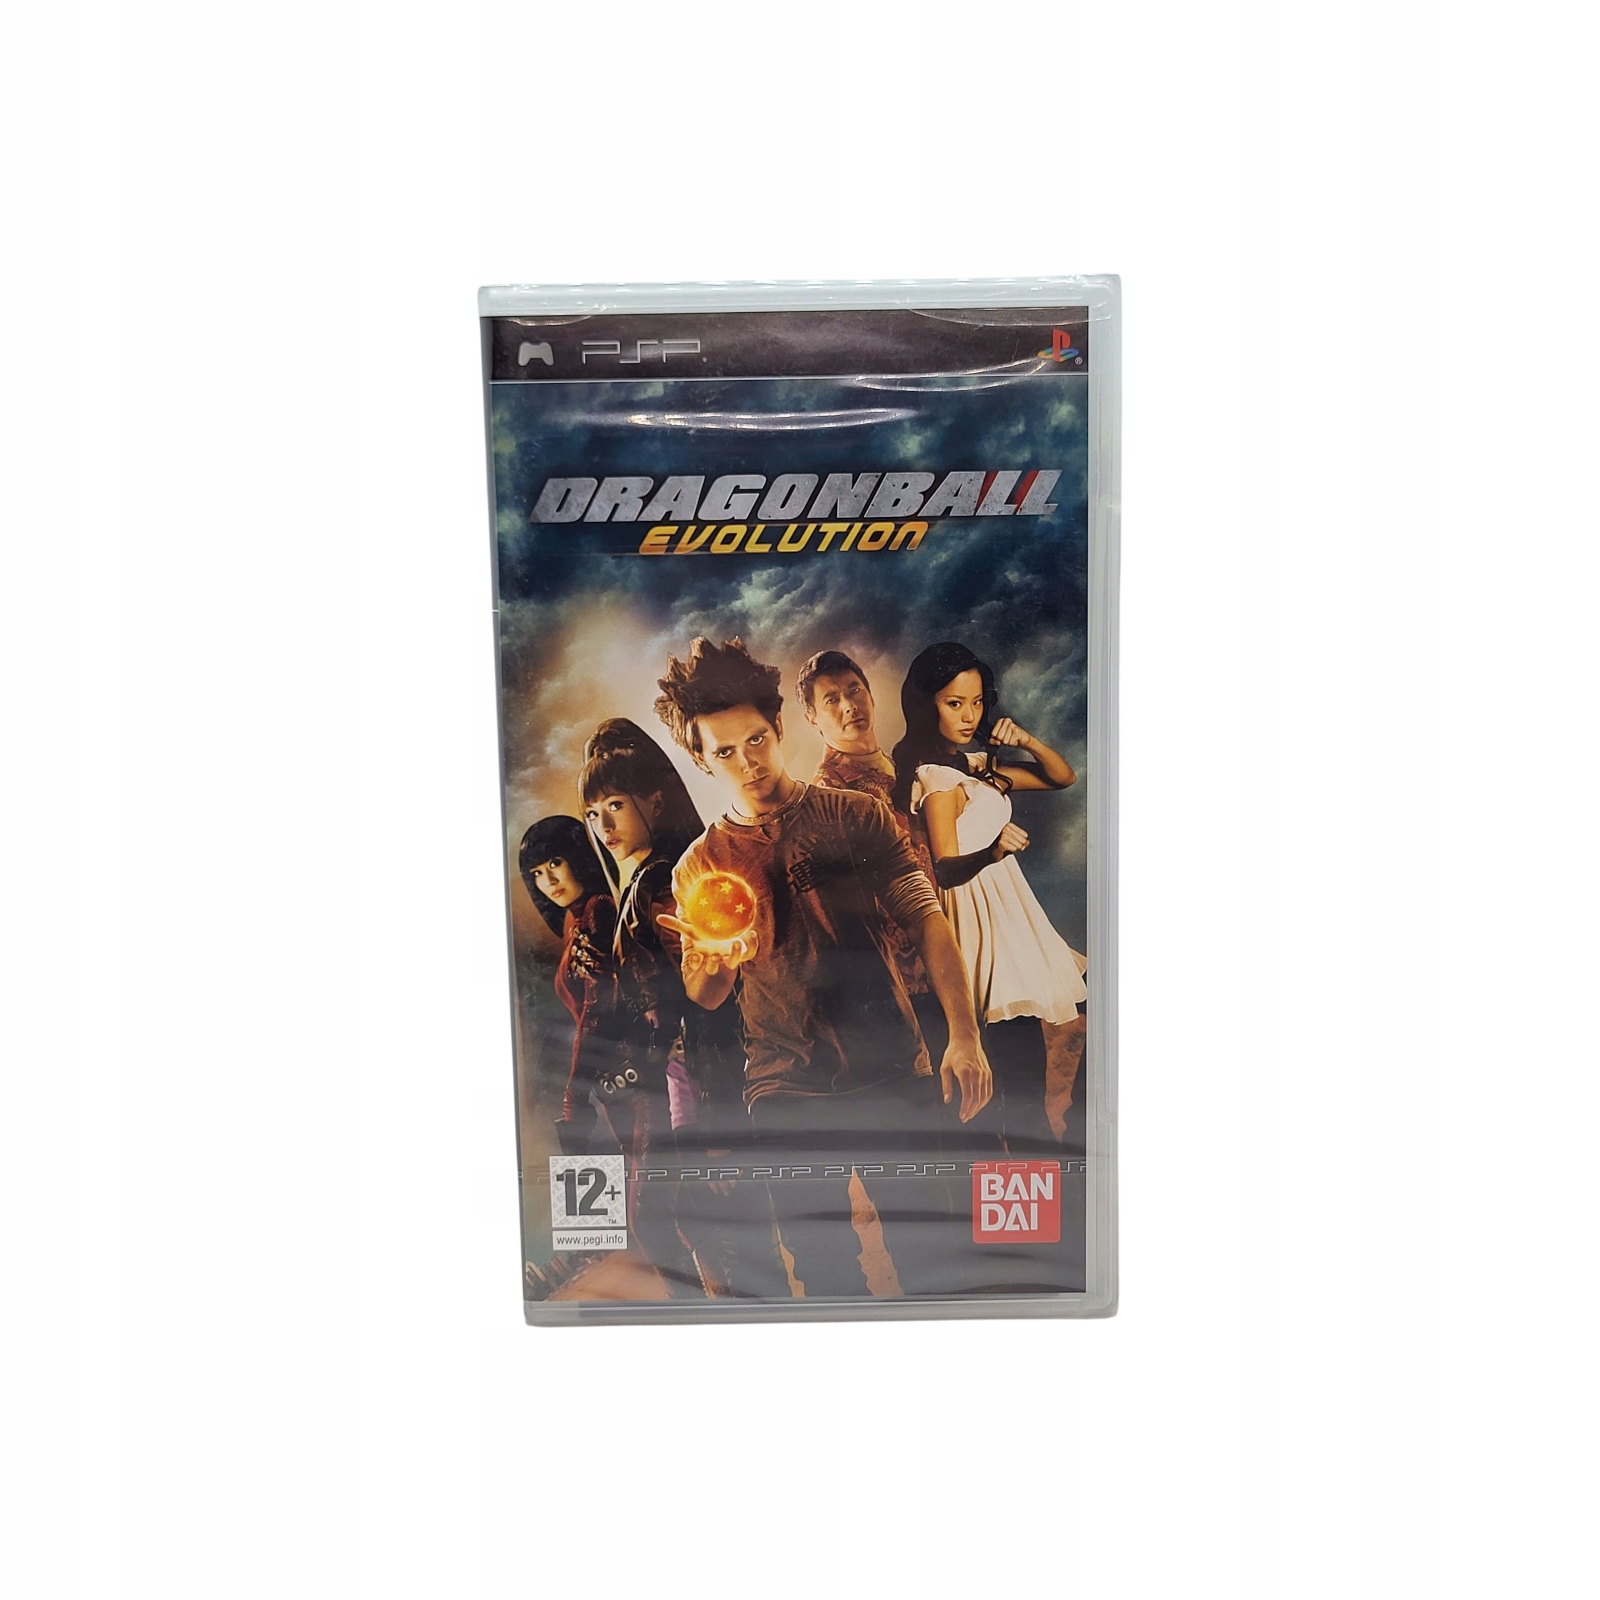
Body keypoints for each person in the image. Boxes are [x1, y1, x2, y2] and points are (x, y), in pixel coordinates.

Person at [652, 636, 991, 1299]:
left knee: (933, 1262)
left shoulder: (854, 815)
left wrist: (964, 1034)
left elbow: (928, 920)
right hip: (784, 1089)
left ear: (778, 726)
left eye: (756, 740)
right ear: (700, 758)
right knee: (826, 1274)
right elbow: (709, 994)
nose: (748, 762)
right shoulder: (699, 866)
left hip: (890, 1068)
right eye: (724, 752)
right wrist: (714, 962)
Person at [579, 718, 788, 1299]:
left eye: (615, 806)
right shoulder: (640, 883)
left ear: (653, 799)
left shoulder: (662, 883)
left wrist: (712, 1129)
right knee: (700, 1233)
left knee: (725, 1237)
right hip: (677, 1094)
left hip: (699, 1092)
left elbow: (709, 1008)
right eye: (593, 814)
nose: (604, 826)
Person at [892, 642, 1088, 1157]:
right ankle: (1001, 1184)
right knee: (997, 1098)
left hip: (1008, 926)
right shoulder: (936, 779)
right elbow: (945, 868)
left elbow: (1061, 777)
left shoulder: (973, 765)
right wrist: (993, 850)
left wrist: (1026, 739)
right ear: (927, 706)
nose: (969, 715)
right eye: (954, 703)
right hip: (975, 930)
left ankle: (1036, 1179)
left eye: (977, 702)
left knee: (1022, 1092)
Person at [798, 649, 946, 1062]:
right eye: (831, 699)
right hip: (908, 987)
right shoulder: (828, 799)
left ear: (871, 695)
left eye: (854, 690)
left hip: (959, 955)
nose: (849, 706)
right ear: (812, 718)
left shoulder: (906, 768)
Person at [517, 814, 619, 1160]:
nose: (548, 880)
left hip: (630, 1080)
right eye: (536, 873)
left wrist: (574, 1094)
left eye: (554, 863)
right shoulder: (572, 921)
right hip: (609, 1084)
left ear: (577, 857)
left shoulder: (598, 909)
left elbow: (597, 1008)